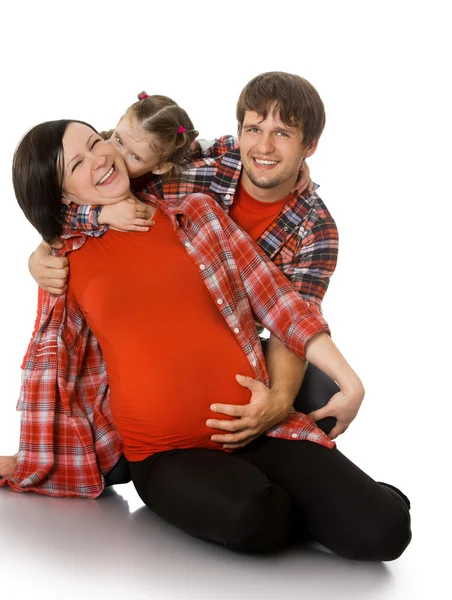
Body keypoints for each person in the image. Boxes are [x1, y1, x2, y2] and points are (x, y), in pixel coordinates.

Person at [1, 118, 411, 561]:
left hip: (260, 428)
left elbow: (278, 300)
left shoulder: (195, 212)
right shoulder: (60, 257)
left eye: (97, 142)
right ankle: (281, 502)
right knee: (258, 517)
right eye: (76, 163)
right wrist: (32, 456)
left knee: (385, 531)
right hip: (166, 454)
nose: (99, 158)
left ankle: (344, 498)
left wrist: (351, 380)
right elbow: (53, 367)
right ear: (62, 193)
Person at [28, 74, 344, 448]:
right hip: (144, 332)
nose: (265, 146)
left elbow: (291, 320)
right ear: (240, 131)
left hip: (229, 338)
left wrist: (276, 404)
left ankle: (257, 452)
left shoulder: (315, 229)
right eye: (254, 130)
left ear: (310, 146)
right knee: (112, 446)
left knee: (318, 393)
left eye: (284, 135)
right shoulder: (188, 169)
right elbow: (78, 181)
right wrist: (51, 244)